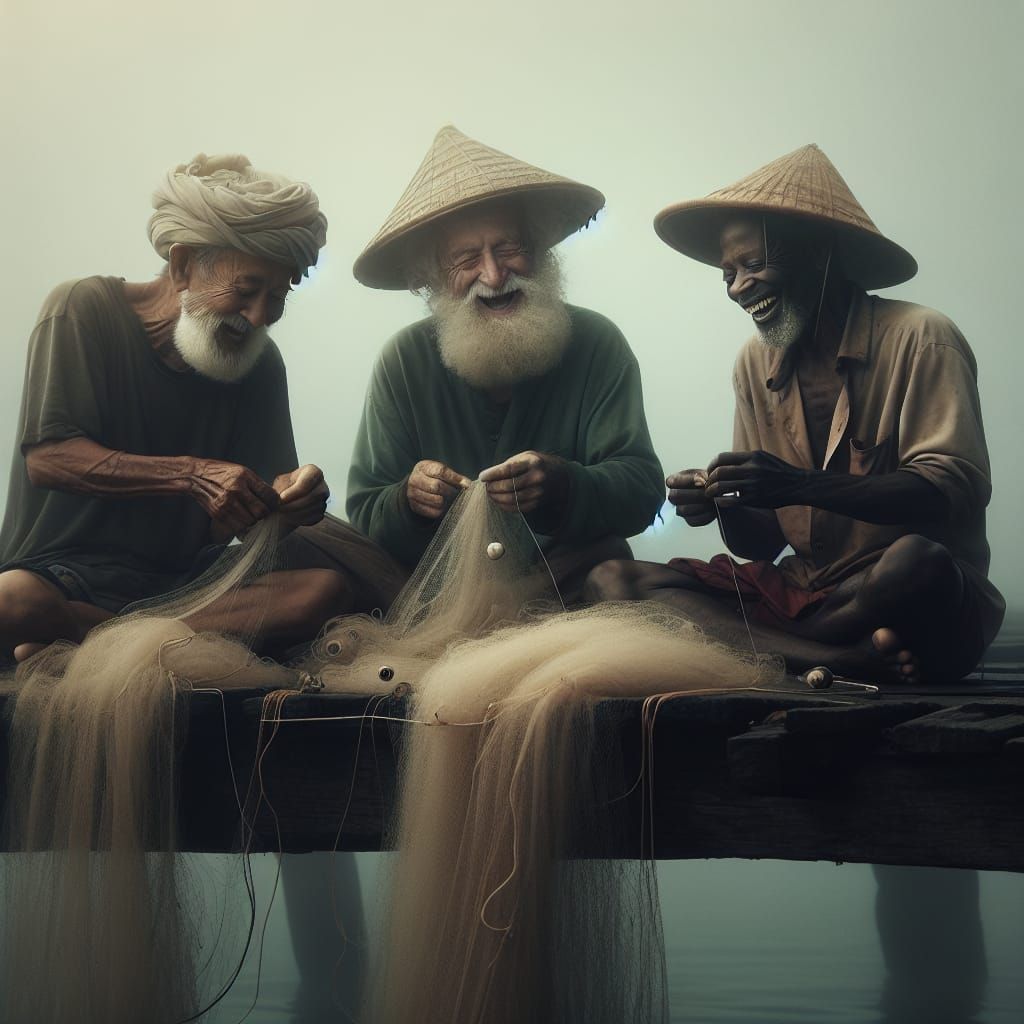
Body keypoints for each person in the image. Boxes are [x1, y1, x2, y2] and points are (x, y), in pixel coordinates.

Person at [587, 144, 1004, 683]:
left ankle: (768, 650)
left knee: (916, 565)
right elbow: (759, 543)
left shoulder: (923, 337)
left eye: (753, 265)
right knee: (610, 583)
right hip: (811, 598)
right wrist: (723, 500)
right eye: (727, 274)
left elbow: (948, 493)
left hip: (893, 590)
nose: (739, 288)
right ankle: (844, 659)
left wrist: (798, 485)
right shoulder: (752, 363)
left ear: (820, 256)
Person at [0, 153, 350, 660]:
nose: (257, 318)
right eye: (246, 291)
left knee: (322, 592)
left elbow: (254, 509)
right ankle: (112, 634)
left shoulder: (260, 365)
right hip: (60, 575)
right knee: (12, 601)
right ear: (183, 266)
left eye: (277, 297)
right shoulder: (82, 309)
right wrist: (191, 475)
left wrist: (295, 498)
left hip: (182, 590)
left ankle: (91, 638)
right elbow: (50, 457)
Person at [347, 125, 664, 599]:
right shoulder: (402, 360)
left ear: (538, 253)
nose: (493, 274)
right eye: (466, 258)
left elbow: (640, 488)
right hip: (436, 592)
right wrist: (409, 499)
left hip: (560, 583)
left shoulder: (598, 342)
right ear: (434, 277)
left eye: (509, 248)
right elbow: (366, 509)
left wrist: (561, 483)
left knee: (610, 564)